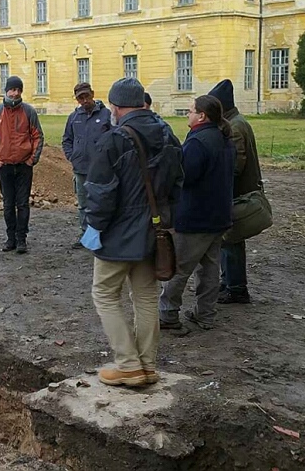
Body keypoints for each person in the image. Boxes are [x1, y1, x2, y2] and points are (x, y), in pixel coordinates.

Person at [83, 77, 183, 387]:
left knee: (104, 293)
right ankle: (147, 366)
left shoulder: (114, 140)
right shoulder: (168, 135)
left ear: (115, 107)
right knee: (146, 297)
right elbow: (177, 184)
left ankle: (127, 363)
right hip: (155, 231)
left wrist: (94, 227)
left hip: (118, 234)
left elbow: (101, 193)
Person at [158, 95, 235, 330]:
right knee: (210, 268)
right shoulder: (224, 138)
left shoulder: (198, 142)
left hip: (196, 217)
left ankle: (168, 314)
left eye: (190, 111)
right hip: (219, 215)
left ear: (202, 115)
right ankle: (206, 314)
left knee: (179, 267)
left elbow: (185, 177)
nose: (188, 115)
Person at [208, 79, 263, 305]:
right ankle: (228, 282)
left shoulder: (235, 127)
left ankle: (237, 288)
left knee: (232, 242)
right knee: (227, 241)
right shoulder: (236, 122)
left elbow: (235, 166)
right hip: (236, 193)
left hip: (237, 194)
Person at [0, 76, 44, 254]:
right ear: (6, 90)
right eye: (13, 89)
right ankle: (10, 237)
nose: (15, 93)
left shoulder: (29, 112)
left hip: (24, 165)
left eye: (18, 90)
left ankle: (21, 239)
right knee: (8, 204)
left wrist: (32, 159)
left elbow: (38, 136)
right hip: (5, 166)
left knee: (23, 203)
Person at [61, 82, 111, 248]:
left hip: (101, 170)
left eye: (86, 96)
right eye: (80, 98)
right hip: (81, 169)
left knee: (101, 203)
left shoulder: (106, 115)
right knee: (83, 205)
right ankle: (86, 236)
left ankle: (104, 235)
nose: (84, 100)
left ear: (92, 94)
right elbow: (66, 140)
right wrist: (72, 156)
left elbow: (115, 139)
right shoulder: (74, 118)